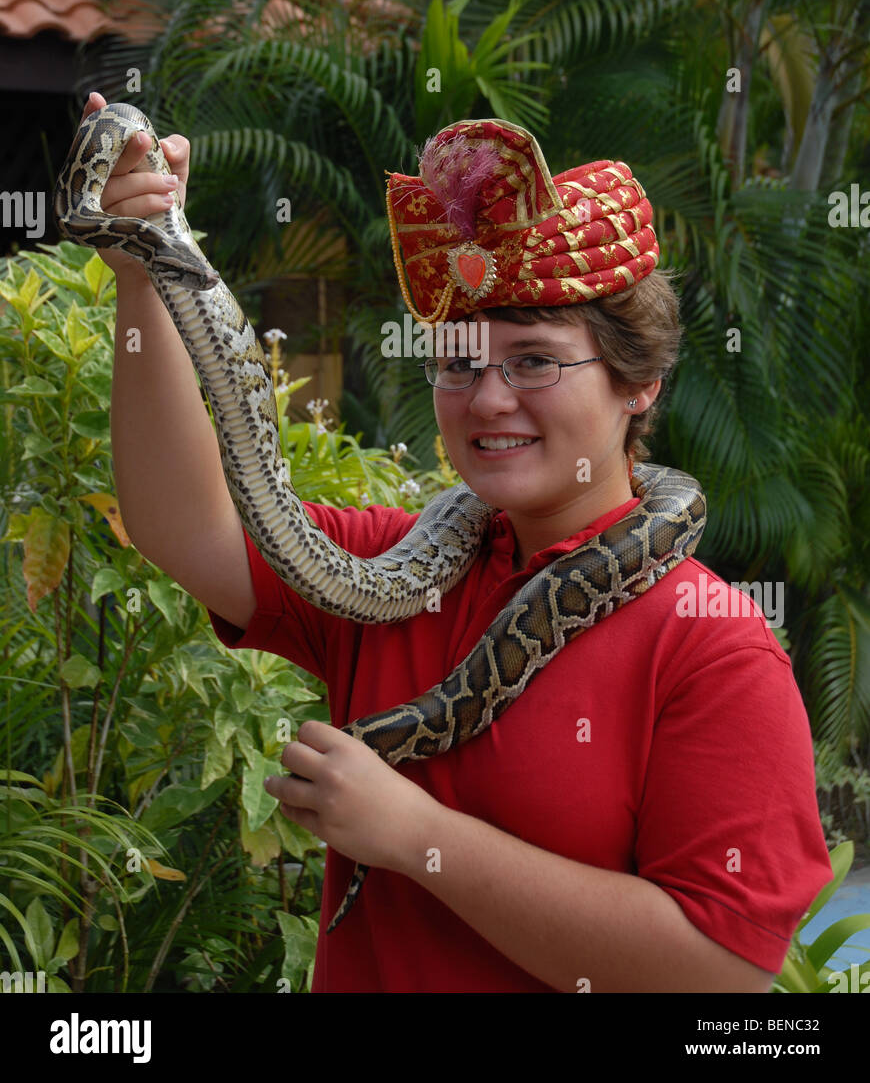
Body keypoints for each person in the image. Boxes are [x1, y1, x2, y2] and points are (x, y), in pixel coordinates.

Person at [87, 92, 833, 994]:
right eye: (459, 361)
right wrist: (143, 264)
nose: (487, 400)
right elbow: (182, 527)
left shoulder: (713, 646)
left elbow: (722, 975)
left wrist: (415, 838)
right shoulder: (395, 572)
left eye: (534, 360)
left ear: (639, 383)